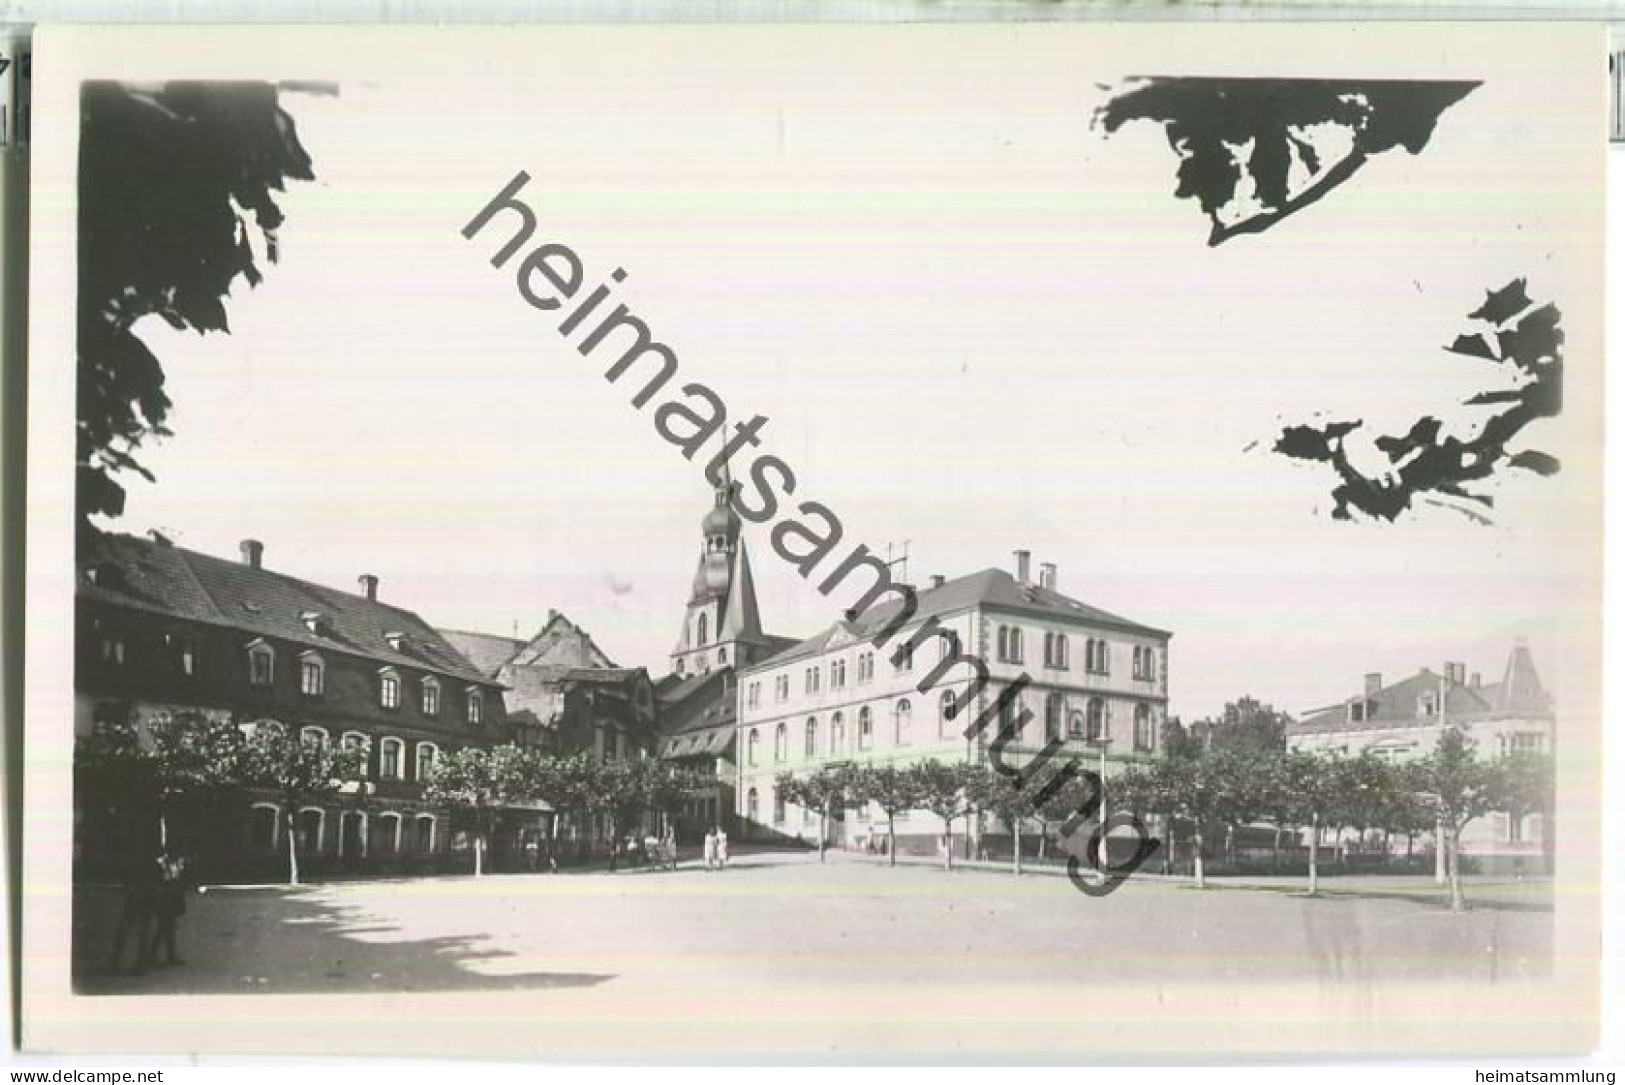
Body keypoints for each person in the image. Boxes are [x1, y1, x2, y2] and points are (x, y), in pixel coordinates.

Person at [107, 846, 161, 974]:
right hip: (146, 893)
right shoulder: (152, 862)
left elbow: (125, 874)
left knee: (126, 926)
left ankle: (116, 960)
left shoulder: (133, 859)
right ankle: (139, 963)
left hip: (135, 892)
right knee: (143, 928)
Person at [148, 851, 189, 967]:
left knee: (168, 927)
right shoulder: (163, 862)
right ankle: (155, 954)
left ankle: (165, 954)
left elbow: (178, 878)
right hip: (165, 896)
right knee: (165, 927)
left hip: (172, 896)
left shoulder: (177, 862)